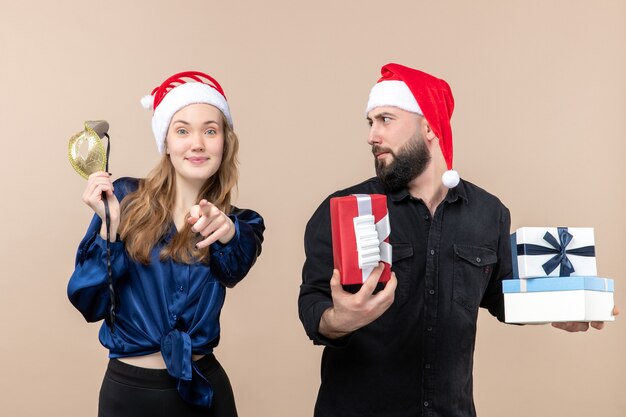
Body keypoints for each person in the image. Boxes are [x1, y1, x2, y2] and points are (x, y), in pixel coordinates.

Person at [298, 63, 617, 417]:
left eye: (385, 119)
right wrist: (338, 320)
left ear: (429, 126)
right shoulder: (344, 210)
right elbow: (313, 304)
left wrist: (560, 309)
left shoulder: (488, 212)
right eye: (370, 122)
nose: (372, 135)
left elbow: (501, 295)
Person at [68, 71, 264, 417]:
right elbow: (89, 304)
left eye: (210, 130)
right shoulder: (124, 200)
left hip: (205, 391)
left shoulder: (241, 223)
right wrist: (109, 232)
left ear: (224, 143)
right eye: (183, 130)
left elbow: (234, 268)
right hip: (129, 396)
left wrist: (227, 232)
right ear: (167, 143)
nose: (198, 143)